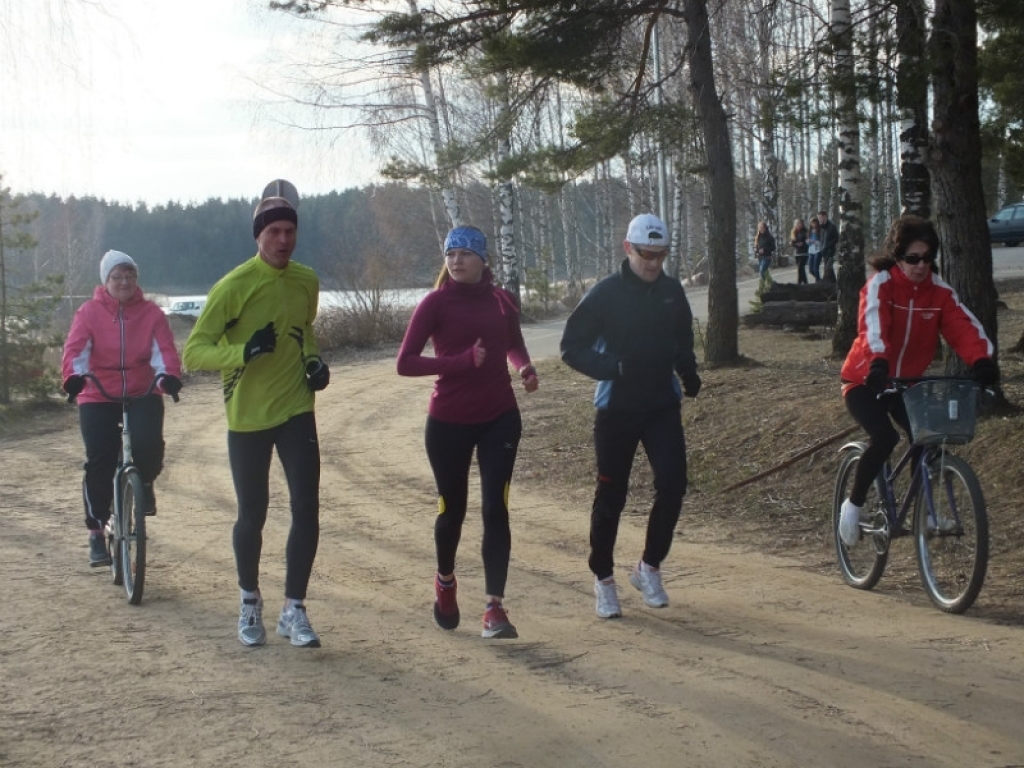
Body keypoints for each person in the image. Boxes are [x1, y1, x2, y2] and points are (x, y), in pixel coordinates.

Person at [182, 186, 330, 649]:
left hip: (295, 409)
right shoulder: (234, 286)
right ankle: (249, 602)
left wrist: (313, 362)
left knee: (307, 508)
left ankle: (295, 610)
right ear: (259, 236)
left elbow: (303, 330)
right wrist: (242, 351)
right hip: (247, 416)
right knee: (254, 514)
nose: (283, 240)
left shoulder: (306, 280)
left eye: (290, 231)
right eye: (274, 232)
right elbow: (193, 352)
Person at [397, 225, 538, 640]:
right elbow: (405, 362)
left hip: (500, 416)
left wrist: (524, 368)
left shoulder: (502, 301)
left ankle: (494, 608)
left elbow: (514, 344)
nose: (456, 260)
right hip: (448, 422)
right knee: (451, 510)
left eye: (465, 253)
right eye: (450, 253)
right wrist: (459, 362)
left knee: (496, 507)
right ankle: (445, 582)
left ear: (483, 259)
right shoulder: (434, 304)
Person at [560, 213, 700, 619]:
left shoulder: (673, 292)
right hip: (616, 407)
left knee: (673, 486)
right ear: (628, 249)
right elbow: (571, 346)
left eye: (660, 255)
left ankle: (648, 567)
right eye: (645, 254)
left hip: (661, 405)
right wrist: (612, 367)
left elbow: (682, 338)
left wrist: (688, 372)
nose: (653, 263)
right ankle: (603, 579)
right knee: (612, 497)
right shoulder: (605, 294)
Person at [837, 215, 999, 547]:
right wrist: (878, 361)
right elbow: (873, 327)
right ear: (898, 256)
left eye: (927, 258)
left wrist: (981, 360)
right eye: (913, 258)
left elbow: (962, 326)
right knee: (883, 438)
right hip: (864, 378)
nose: (921, 265)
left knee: (924, 439)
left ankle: (924, 512)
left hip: (905, 383)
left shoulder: (938, 292)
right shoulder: (881, 284)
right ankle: (852, 506)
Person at [61, 250, 183, 567]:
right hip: (98, 393)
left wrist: (169, 377)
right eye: (117, 276)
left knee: (148, 443)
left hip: (142, 389)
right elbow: (76, 350)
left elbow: (164, 352)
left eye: (130, 275)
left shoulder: (152, 314)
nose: (124, 281)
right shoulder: (88, 313)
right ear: (106, 280)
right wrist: (73, 378)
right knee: (99, 461)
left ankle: (143, 483)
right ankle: (96, 531)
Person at [818, 209, 839, 282]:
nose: (820, 219)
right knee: (827, 266)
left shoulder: (832, 226)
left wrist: (828, 245)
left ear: (825, 217)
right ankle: (832, 282)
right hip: (823, 249)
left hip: (830, 249)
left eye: (821, 217)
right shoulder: (821, 227)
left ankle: (830, 281)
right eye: (819, 218)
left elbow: (836, 238)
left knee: (828, 266)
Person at [790, 218, 809, 285]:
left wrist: (803, 243)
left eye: (799, 223)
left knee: (800, 267)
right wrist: (796, 244)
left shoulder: (805, 231)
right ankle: (805, 283)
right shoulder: (794, 232)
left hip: (804, 252)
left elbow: (808, 241)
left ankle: (799, 283)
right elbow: (792, 243)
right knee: (801, 269)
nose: (798, 225)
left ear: (802, 224)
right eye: (796, 223)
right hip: (797, 253)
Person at [806, 217, 823, 282]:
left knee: (816, 268)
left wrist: (814, 241)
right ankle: (819, 279)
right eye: (812, 223)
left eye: (814, 223)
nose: (813, 224)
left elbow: (821, 242)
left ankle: (817, 281)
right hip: (811, 251)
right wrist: (808, 241)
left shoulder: (820, 231)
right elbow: (807, 241)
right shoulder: (809, 231)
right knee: (810, 269)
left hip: (818, 250)